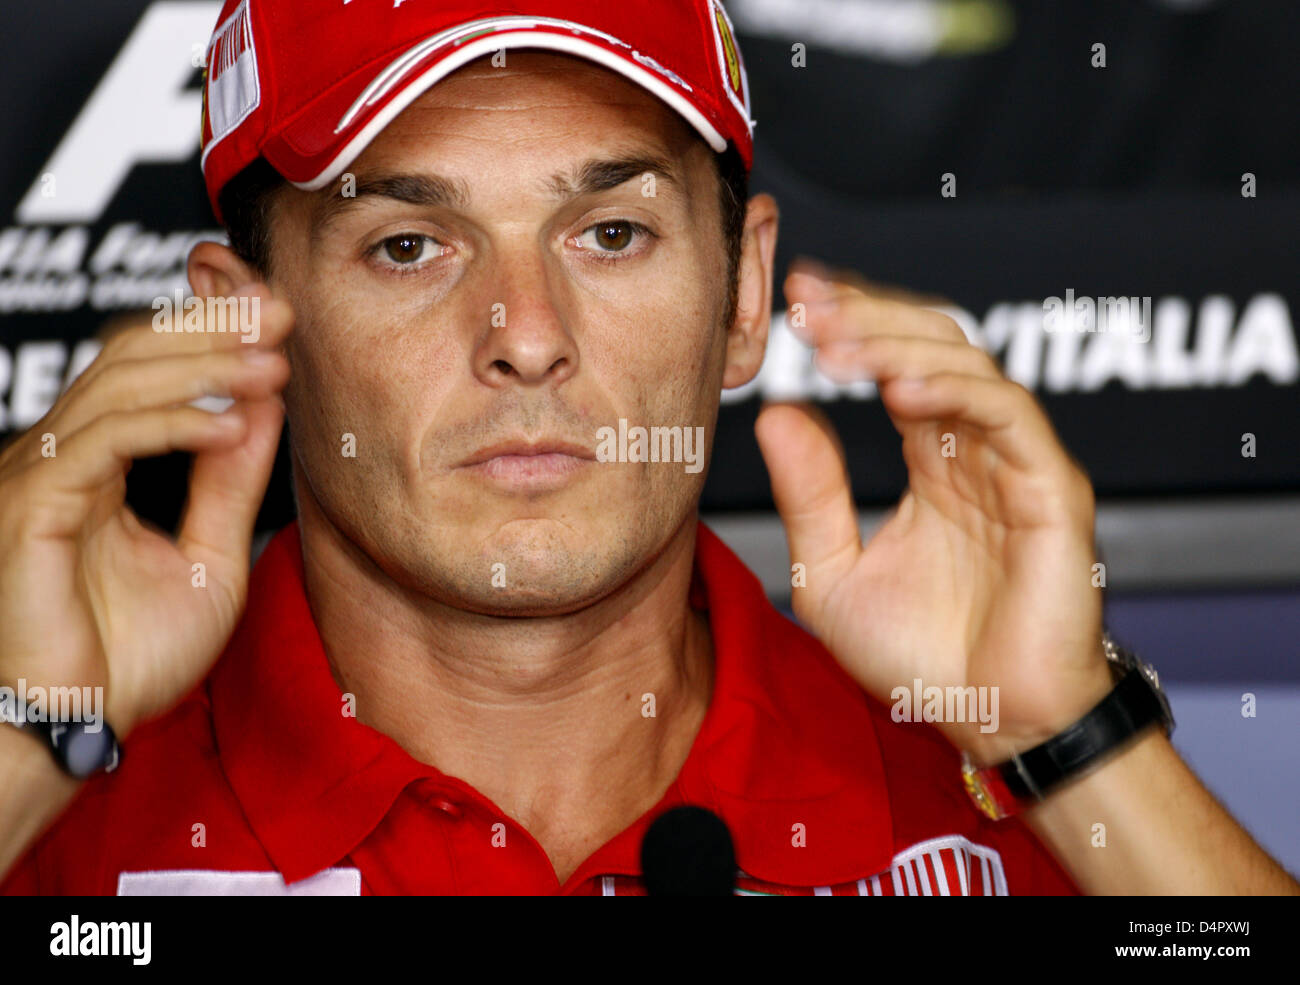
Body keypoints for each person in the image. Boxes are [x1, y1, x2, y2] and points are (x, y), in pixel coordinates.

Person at [0, 0, 1295, 895]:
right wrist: (20, 737)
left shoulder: (996, 794)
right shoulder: (64, 808)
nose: (525, 336)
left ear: (742, 299)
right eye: (409, 244)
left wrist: (1068, 738)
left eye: (609, 232)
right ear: (245, 321)